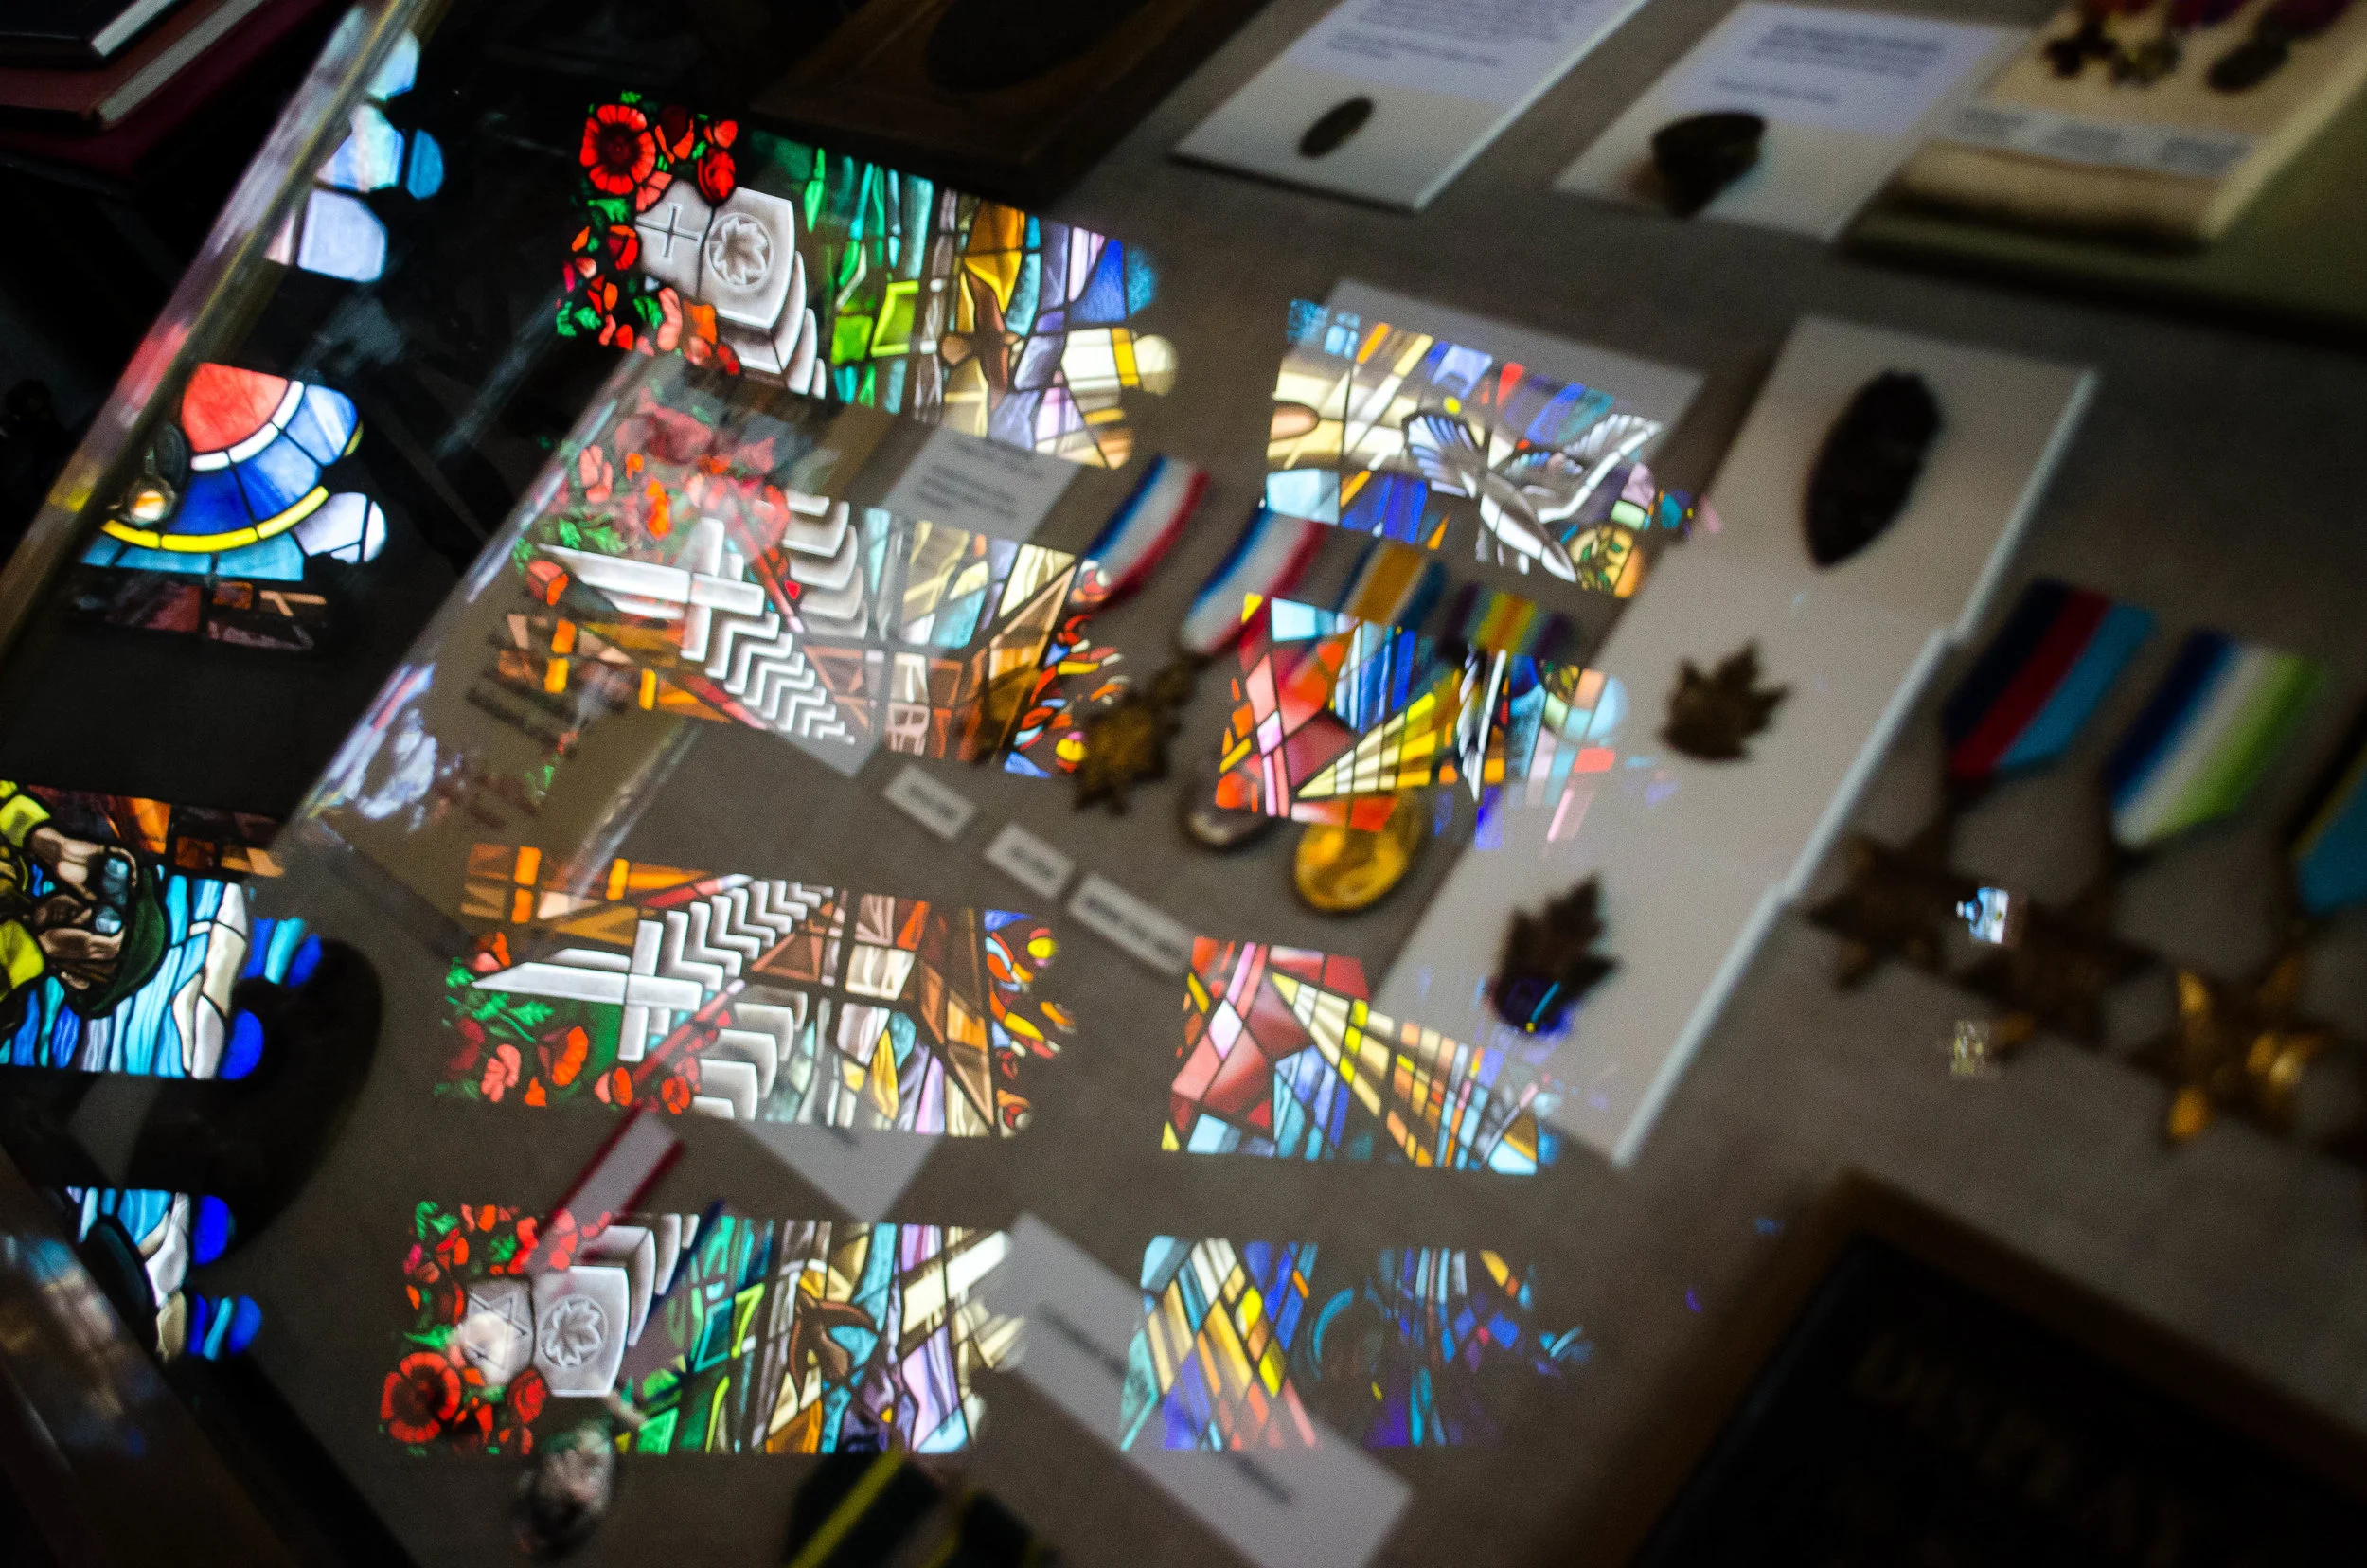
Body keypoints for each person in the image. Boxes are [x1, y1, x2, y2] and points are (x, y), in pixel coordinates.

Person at [0, 781, 168, 1028]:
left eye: (101, 929)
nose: (85, 911)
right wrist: (49, 843)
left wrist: (35, 947)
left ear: (76, 978)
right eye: (107, 905)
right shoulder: (10, 871)